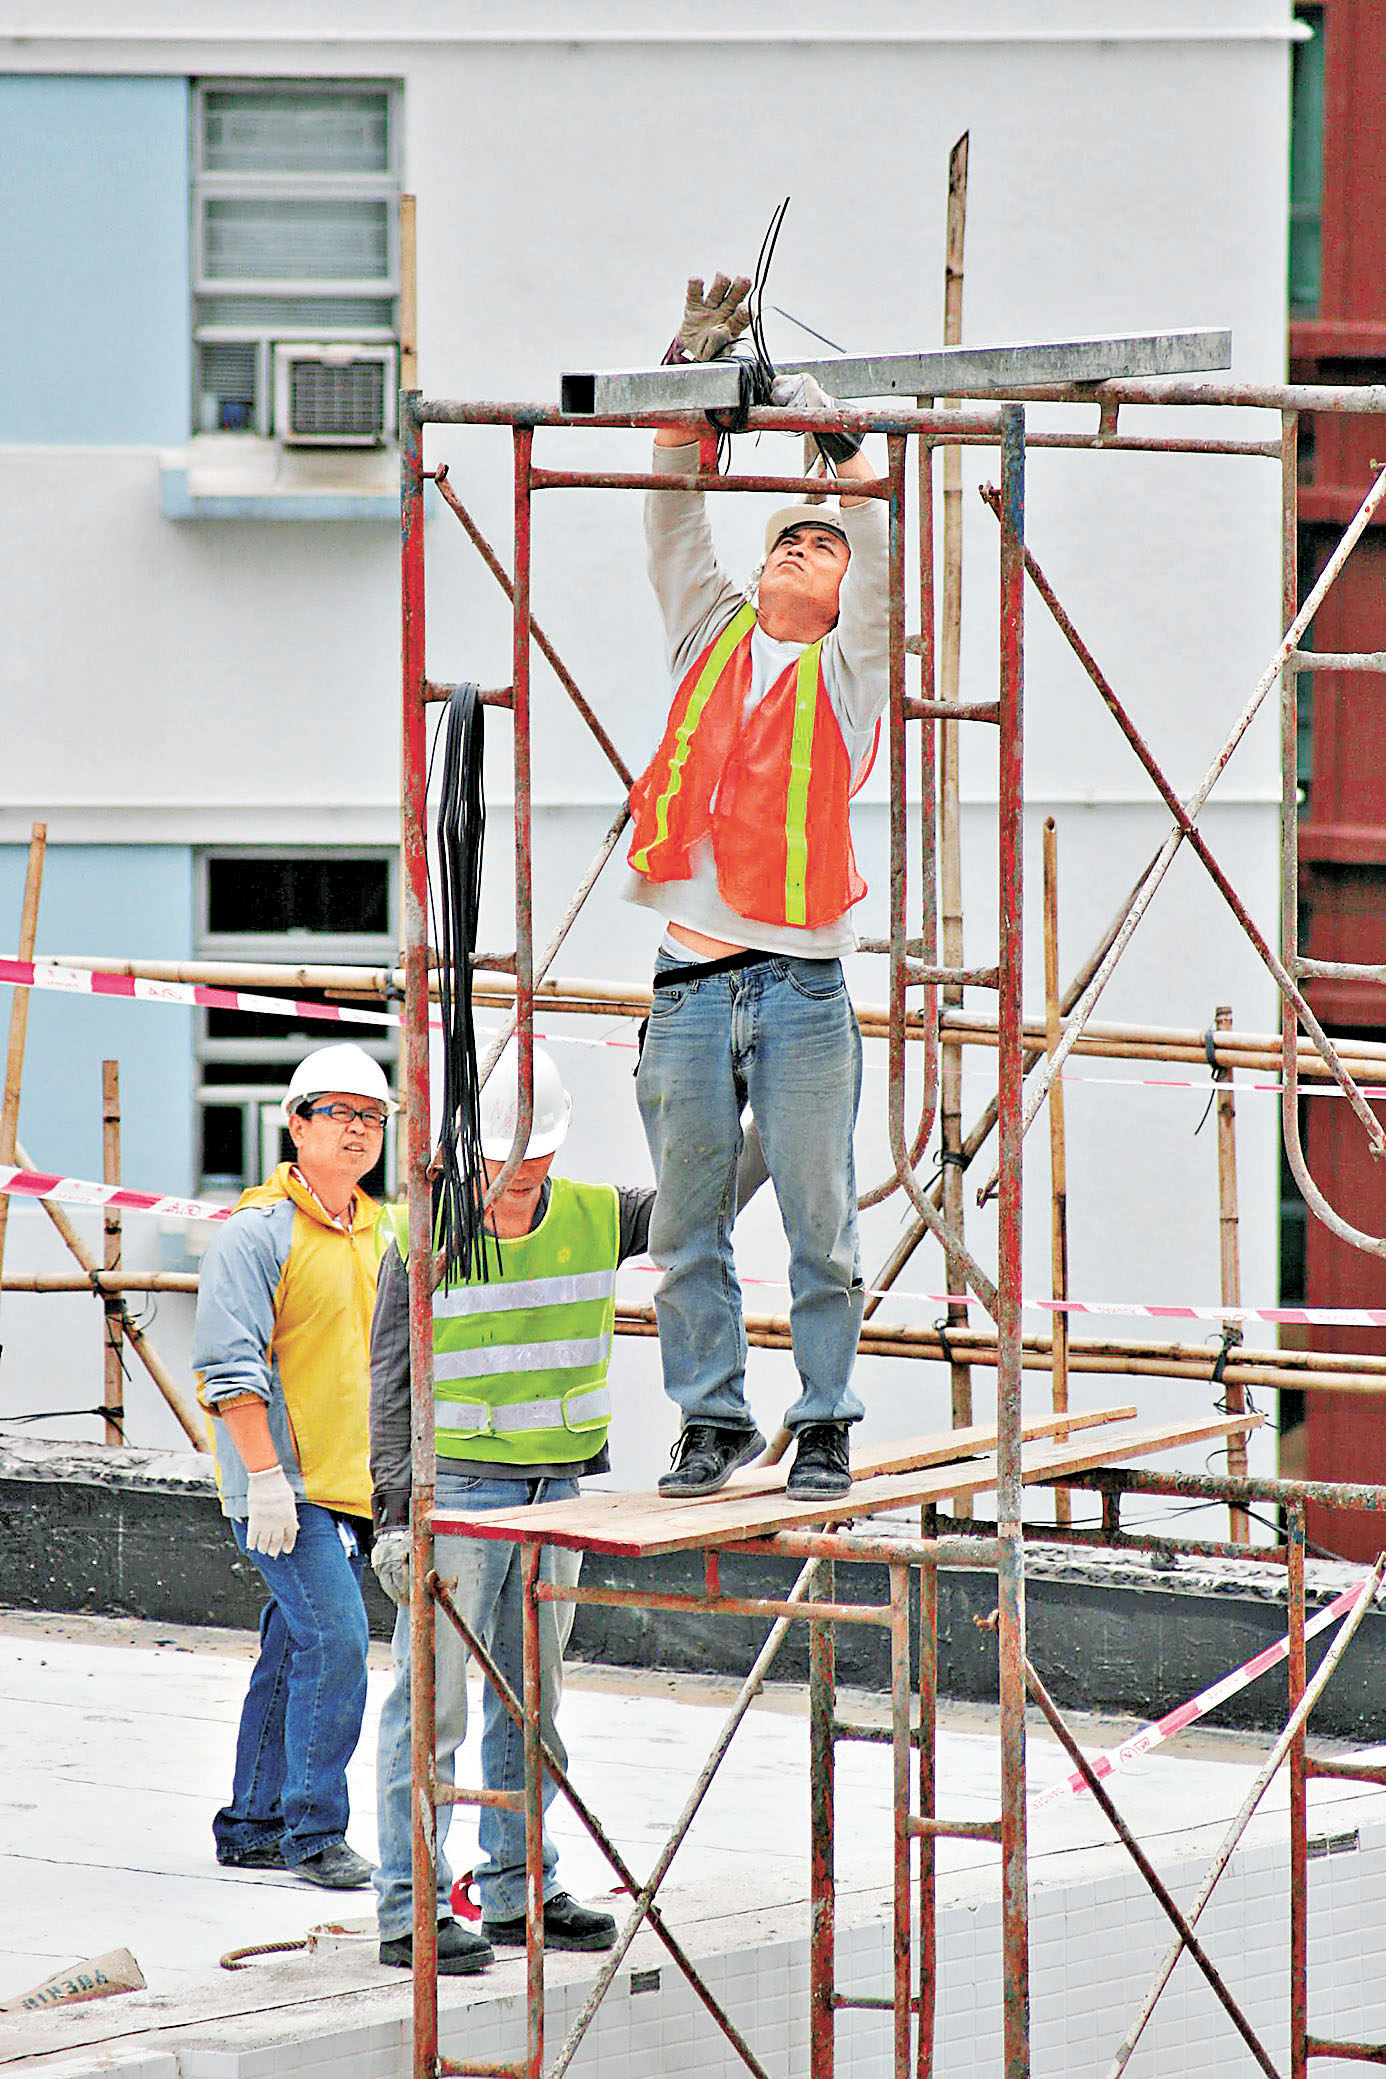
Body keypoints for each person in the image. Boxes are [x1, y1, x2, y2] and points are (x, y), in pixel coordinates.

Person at [624, 273, 889, 1504]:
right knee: (684, 1233)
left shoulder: (849, 681)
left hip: (801, 988)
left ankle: (824, 1420)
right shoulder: (708, 637)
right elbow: (674, 516)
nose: (800, 544)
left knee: (821, 1230)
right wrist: (689, 366)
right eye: (788, 531)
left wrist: (849, 466)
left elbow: (883, 566)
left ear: (841, 588)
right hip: (689, 983)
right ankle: (712, 1421)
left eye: (821, 541)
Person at [368, 1043, 636, 1974]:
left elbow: (705, 1196)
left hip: (553, 1492)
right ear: (461, 1151)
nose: (515, 1176)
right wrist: (394, 1515)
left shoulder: (600, 1215)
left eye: (531, 1157)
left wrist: (759, 1103)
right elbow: (392, 1379)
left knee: (533, 1706)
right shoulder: (420, 1230)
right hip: (459, 1496)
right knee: (427, 1707)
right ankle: (410, 1907)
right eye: (497, 1159)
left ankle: (523, 1884)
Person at [193, 1040, 394, 1889]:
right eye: (339, 1113)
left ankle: (251, 1820)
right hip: (281, 1486)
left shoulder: (383, 1230)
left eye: (372, 1116)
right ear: (296, 1122)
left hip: (351, 1485)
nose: (356, 1131)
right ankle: (315, 1830)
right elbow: (229, 1366)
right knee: (339, 1639)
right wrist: (265, 1478)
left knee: (293, 1642)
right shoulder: (255, 1236)